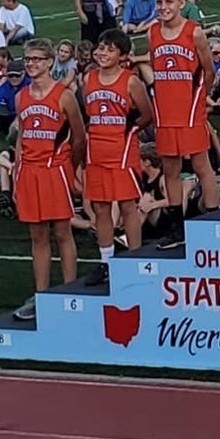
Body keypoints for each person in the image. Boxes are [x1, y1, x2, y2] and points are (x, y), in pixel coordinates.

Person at [12, 38, 86, 321]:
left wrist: (71, 169)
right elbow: (22, 137)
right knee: (37, 235)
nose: (31, 64)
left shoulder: (63, 95)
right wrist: (17, 173)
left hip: (55, 169)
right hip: (29, 171)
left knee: (62, 231)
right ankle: (41, 294)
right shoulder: (22, 97)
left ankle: (69, 289)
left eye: (37, 59)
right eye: (28, 59)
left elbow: (79, 137)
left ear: (50, 62)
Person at [149, 0, 220, 249]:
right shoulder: (152, 33)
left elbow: (209, 70)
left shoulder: (194, 32)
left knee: (201, 164)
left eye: (169, 2)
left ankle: (214, 217)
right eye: (159, 2)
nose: (164, 7)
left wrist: (201, 98)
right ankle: (177, 224)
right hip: (165, 112)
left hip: (189, 111)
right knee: (171, 168)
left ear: (181, 3)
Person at [82, 29, 153, 285]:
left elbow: (146, 113)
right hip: (96, 152)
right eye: (101, 47)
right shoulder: (88, 79)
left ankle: (134, 258)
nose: (103, 53)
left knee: (127, 206)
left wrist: (128, 129)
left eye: (110, 49)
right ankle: (106, 262)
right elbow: (88, 114)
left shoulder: (130, 81)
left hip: (122, 153)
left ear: (122, 55)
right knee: (101, 208)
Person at [0, 59, 28, 138]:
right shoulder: (5, 87)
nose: (14, 78)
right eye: (11, 76)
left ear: (23, 74)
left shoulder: (30, 84)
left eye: (17, 75)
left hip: (29, 114)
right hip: (12, 115)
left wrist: (18, 119)